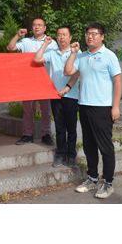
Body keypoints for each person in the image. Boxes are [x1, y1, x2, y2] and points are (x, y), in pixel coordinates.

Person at [64, 22, 122, 199]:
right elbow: (68, 71)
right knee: (89, 145)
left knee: (105, 146)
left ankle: (108, 182)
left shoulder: (109, 56)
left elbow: (118, 82)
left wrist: (115, 106)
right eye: (88, 33)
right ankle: (92, 178)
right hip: (84, 106)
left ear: (102, 37)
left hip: (102, 108)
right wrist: (73, 53)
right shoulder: (82, 56)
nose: (90, 36)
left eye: (94, 33)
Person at [6, 18, 58, 145]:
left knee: (46, 110)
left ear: (44, 28)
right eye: (34, 25)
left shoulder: (51, 43)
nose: (37, 27)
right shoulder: (26, 41)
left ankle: (46, 134)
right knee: (28, 109)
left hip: (44, 80)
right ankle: (27, 134)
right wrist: (17, 36)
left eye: (40, 25)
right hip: (28, 81)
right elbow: (10, 47)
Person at [34, 27, 80, 167]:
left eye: (64, 35)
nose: (61, 37)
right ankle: (60, 154)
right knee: (59, 127)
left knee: (71, 128)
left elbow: (77, 73)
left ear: (70, 37)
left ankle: (71, 155)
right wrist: (45, 44)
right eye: (59, 35)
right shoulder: (52, 53)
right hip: (55, 95)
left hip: (71, 95)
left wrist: (67, 88)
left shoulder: (77, 53)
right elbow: (37, 59)